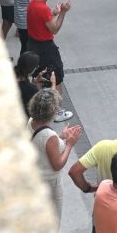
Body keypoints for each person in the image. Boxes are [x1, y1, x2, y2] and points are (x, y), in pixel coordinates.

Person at [28, 88, 82, 223]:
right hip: (50, 183)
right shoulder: (49, 135)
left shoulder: (31, 122)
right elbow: (57, 164)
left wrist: (61, 136)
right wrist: (69, 144)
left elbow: (43, 144)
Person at [26, 0, 73, 122]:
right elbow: (54, 29)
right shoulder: (43, 8)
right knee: (55, 77)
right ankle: (57, 111)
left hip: (33, 45)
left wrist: (53, 13)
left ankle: (38, 107)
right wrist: (63, 12)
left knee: (39, 77)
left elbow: (42, 20)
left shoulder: (32, 3)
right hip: (46, 48)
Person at [14, 51, 52, 117]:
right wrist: (36, 88)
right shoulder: (30, 90)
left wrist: (33, 83)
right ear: (31, 69)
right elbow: (41, 110)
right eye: (36, 66)